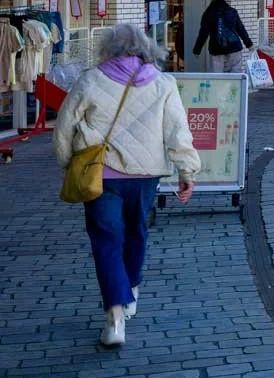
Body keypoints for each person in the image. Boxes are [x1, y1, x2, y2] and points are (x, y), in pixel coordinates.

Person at [52, 24, 199, 348]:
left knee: (106, 241)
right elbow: (177, 130)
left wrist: (68, 164)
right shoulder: (163, 83)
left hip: (101, 175)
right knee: (136, 232)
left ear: (108, 49)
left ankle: (115, 317)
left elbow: (64, 128)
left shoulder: (90, 79)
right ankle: (130, 289)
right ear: (146, 49)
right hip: (146, 175)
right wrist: (187, 171)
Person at [191, 0, 254, 73]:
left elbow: (203, 34)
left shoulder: (208, 14)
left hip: (217, 49)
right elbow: (241, 29)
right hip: (234, 46)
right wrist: (249, 44)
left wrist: (197, 50)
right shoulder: (232, 11)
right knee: (236, 74)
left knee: (218, 76)